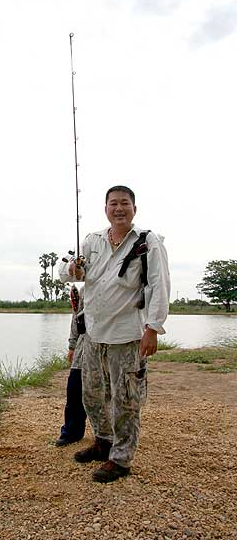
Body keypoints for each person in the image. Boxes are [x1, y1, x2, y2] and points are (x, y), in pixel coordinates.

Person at [59, 185, 170, 483]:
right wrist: (74, 270)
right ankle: (103, 441)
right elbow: (67, 274)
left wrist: (153, 328)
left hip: (128, 334)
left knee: (126, 399)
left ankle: (121, 459)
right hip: (93, 334)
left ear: (135, 208)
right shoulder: (92, 241)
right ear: (105, 209)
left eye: (124, 203)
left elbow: (158, 285)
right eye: (113, 204)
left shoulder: (148, 242)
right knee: (92, 395)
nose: (118, 208)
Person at [55, 285, 87, 447]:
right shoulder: (83, 290)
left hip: (112, 344)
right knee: (75, 389)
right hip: (84, 344)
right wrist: (72, 346)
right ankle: (71, 432)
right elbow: (77, 317)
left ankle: (108, 437)